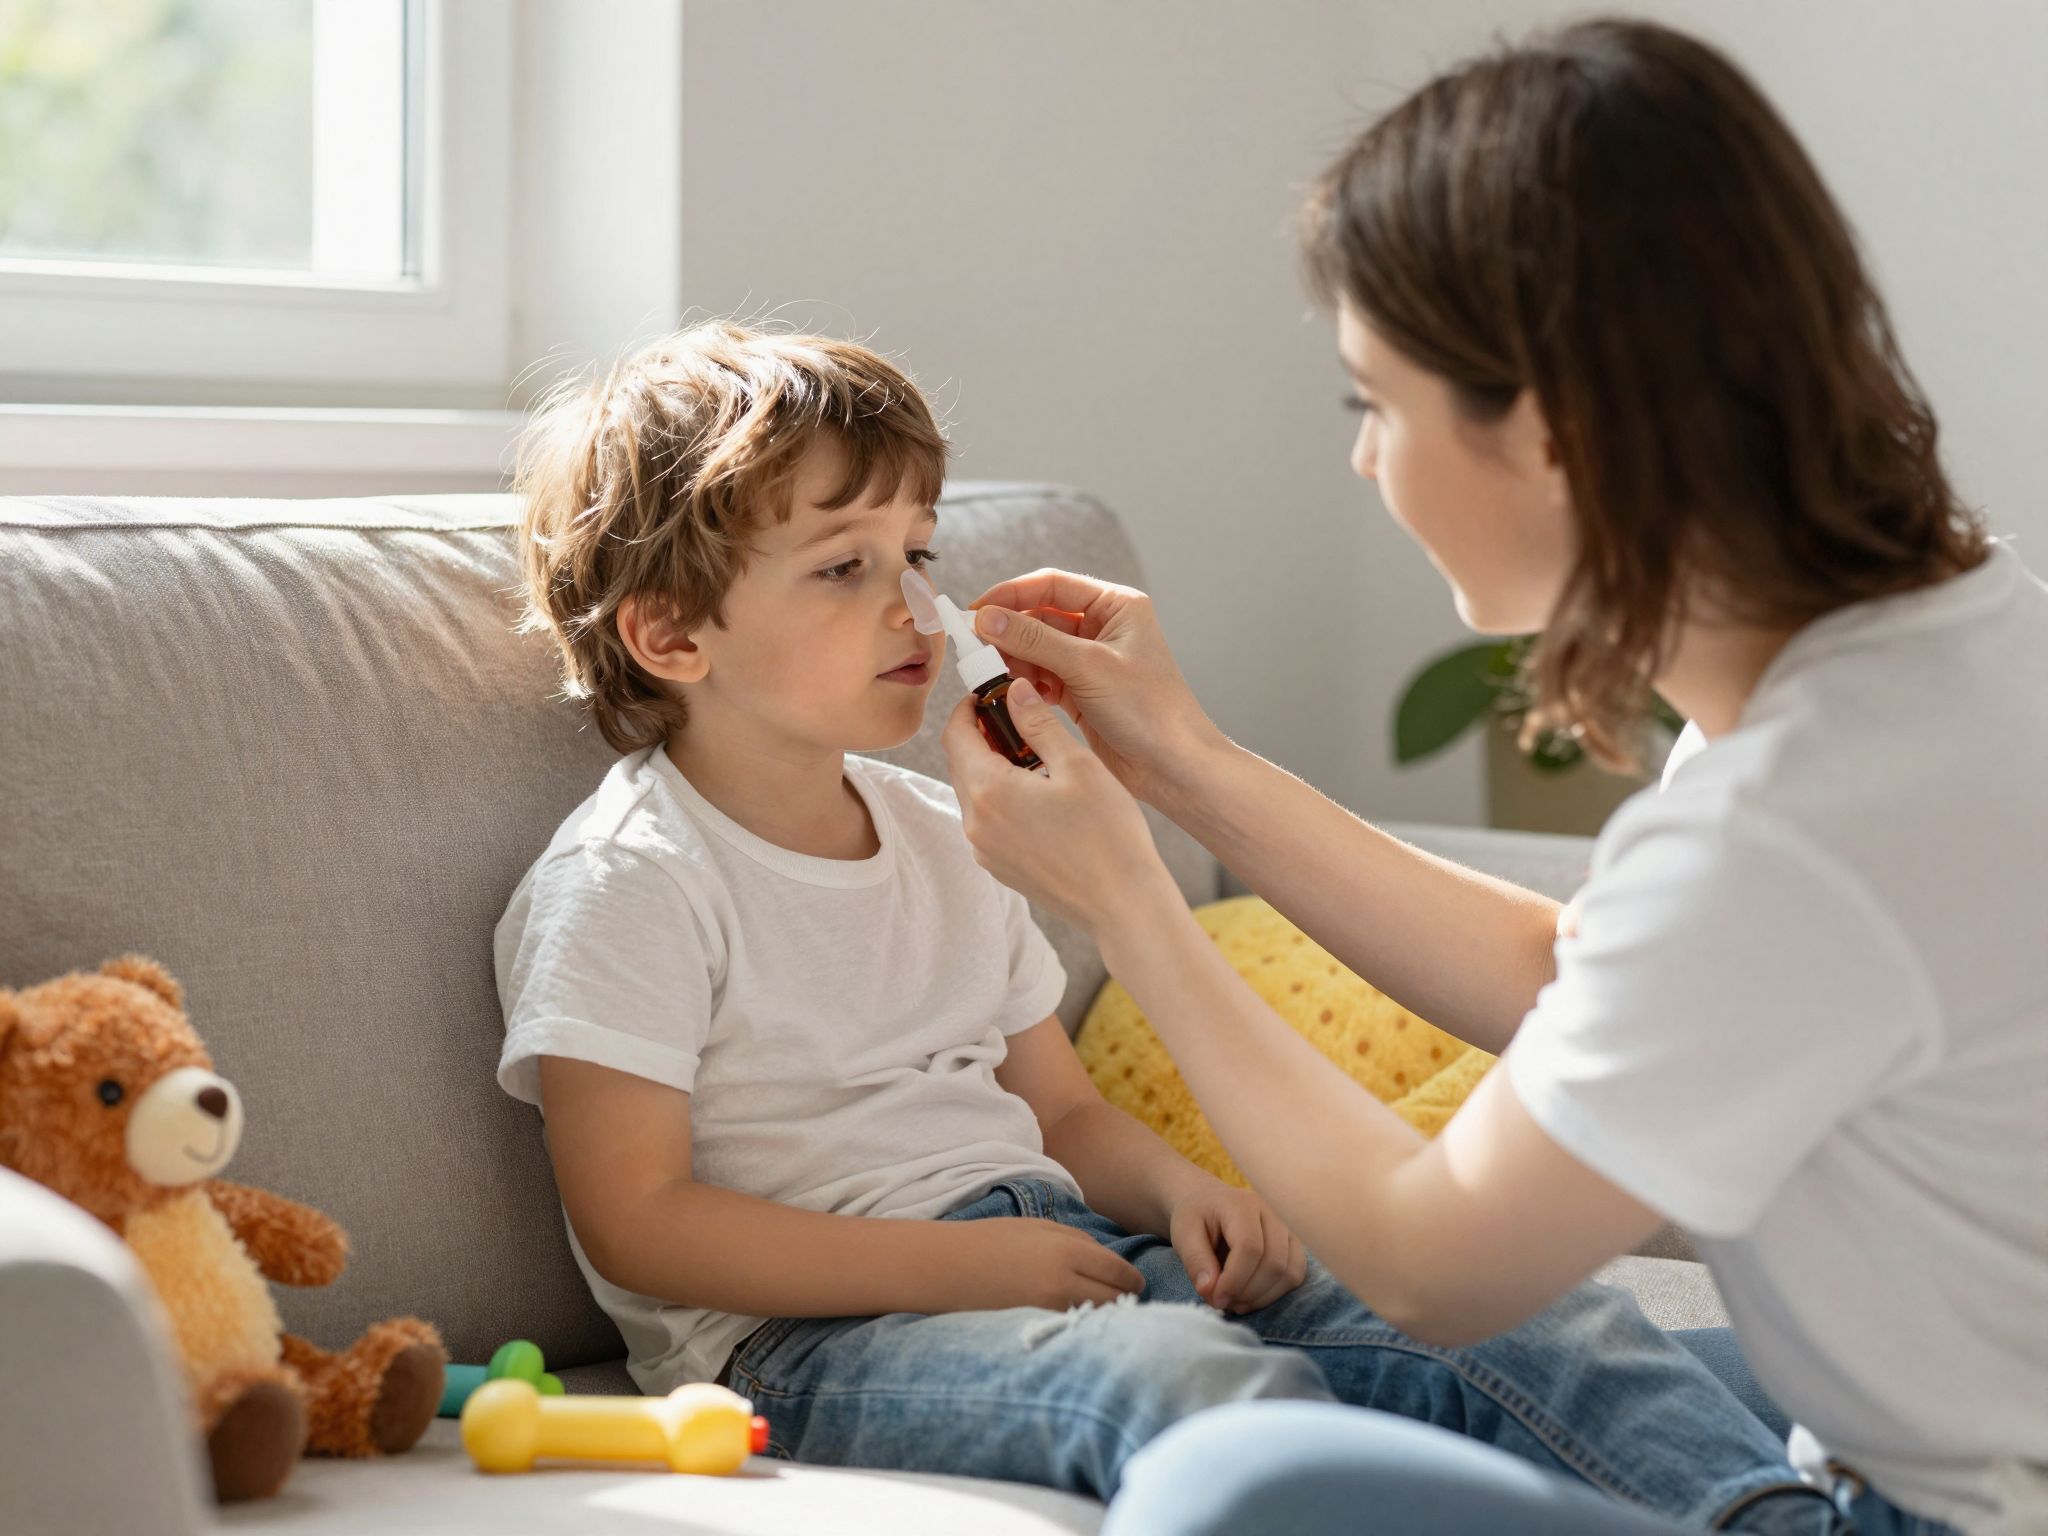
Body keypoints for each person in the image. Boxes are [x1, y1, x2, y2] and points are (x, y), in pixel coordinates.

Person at [938, 18, 2046, 1536]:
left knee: (1230, 1484)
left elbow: (1431, 1261)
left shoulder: (1794, 818)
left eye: (1372, 405)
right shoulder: (1941, 644)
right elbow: (1570, 976)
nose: (1364, 462)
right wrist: (1185, 766)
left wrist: (1127, 902)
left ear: (1551, 424)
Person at [490, 320, 1823, 1524]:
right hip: (808, 1341)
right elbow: (642, 1222)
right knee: (1180, 1379)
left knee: (1533, 1322)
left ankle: (1766, 1518)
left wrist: (1191, 1191)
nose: (911, 607)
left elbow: (1063, 1117)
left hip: (1059, 1253)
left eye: (917, 555)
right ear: (670, 636)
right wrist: (967, 1269)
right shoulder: (632, 882)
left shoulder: (954, 832)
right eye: (843, 569)